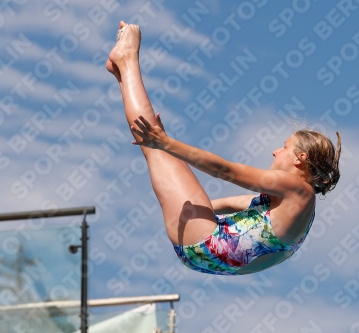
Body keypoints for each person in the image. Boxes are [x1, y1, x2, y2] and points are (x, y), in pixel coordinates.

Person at [106, 22, 341, 275]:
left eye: (285, 147)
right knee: (155, 146)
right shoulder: (295, 207)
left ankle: (127, 59)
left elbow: (225, 171)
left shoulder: (299, 189)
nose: (275, 151)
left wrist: (167, 143)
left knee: (156, 145)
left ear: (300, 158)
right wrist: (195, 201)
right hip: (201, 252)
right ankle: (122, 72)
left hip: (205, 240)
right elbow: (235, 202)